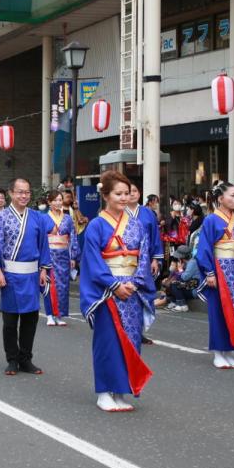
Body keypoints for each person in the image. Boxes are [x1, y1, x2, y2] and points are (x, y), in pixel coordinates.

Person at [79, 170, 154, 412]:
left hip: (131, 289)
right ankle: (104, 391)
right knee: (108, 342)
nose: (123, 198)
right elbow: (92, 260)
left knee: (130, 341)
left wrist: (136, 282)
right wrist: (114, 285)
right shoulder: (96, 225)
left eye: (126, 193)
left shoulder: (136, 224)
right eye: (118, 194)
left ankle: (121, 391)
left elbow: (143, 256)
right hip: (107, 292)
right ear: (106, 195)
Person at [0, 178, 51, 376]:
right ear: (11, 193)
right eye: (20, 192)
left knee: (30, 319)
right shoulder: (0, 218)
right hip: (10, 275)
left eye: (27, 192)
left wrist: (44, 269)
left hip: (31, 274)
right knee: (10, 320)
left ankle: (26, 358)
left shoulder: (37, 217)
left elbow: (43, 245)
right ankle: (12, 359)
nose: (24, 196)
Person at [195, 182, 234, 369]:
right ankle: (218, 352)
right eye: (232, 195)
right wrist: (209, 272)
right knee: (219, 311)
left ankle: (230, 351)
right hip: (219, 270)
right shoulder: (211, 220)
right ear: (221, 198)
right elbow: (204, 248)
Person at [127, 183, 163, 340]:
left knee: (142, 294)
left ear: (139, 194)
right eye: (128, 191)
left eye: (135, 191)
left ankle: (139, 330)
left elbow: (155, 236)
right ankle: (124, 329)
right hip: (124, 260)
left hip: (145, 260)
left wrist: (155, 259)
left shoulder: (148, 213)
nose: (132, 194)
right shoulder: (119, 212)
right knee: (127, 293)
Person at [42, 190, 78, 326]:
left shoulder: (67, 218)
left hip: (63, 255)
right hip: (49, 254)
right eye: (55, 200)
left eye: (60, 200)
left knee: (62, 286)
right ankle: (49, 314)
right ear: (49, 202)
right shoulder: (44, 218)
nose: (58, 203)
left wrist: (73, 256)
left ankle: (59, 315)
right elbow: (40, 239)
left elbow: (73, 237)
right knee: (49, 284)